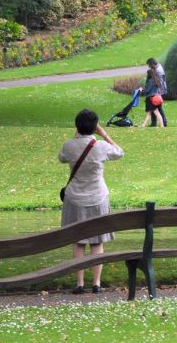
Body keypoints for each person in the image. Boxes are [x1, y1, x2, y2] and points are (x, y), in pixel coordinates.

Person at [59, 109, 124, 294]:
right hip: (98, 198)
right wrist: (104, 134)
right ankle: (96, 283)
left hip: (74, 199)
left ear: (76, 126)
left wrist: (75, 136)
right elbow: (119, 152)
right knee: (97, 242)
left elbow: (61, 157)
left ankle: (79, 284)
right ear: (95, 127)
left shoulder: (69, 146)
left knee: (78, 242)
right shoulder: (101, 146)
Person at [146, 58, 167, 127]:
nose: (149, 67)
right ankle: (154, 123)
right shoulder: (158, 67)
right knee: (154, 108)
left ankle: (163, 122)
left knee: (159, 109)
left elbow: (158, 83)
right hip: (158, 92)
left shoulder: (158, 71)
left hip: (158, 92)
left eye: (149, 65)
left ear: (152, 64)